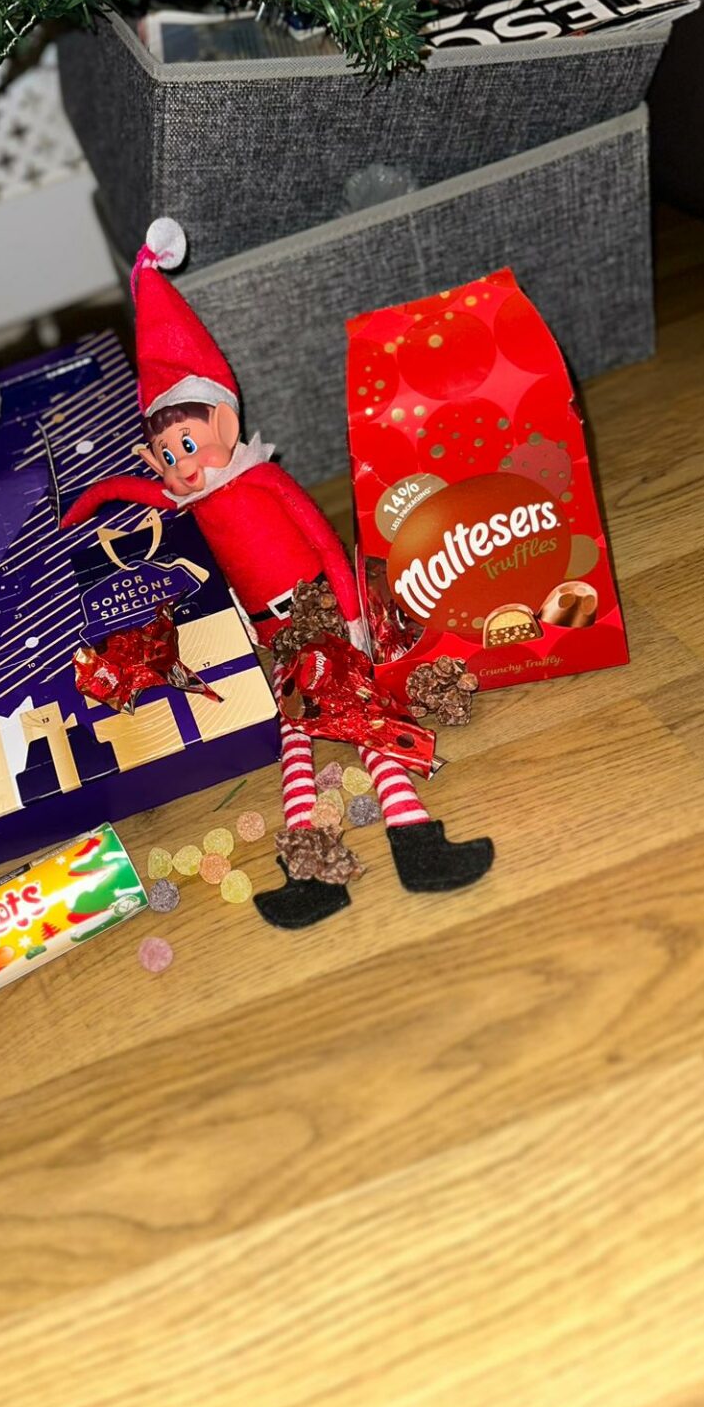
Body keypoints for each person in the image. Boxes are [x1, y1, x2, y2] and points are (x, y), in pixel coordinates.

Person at [62, 219, 493, 927]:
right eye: (166, 455)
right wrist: (73, 513)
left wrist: (352, 616)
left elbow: (322, 540)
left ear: (226, 427)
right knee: (296, 736)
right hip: (276, 639)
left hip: (320, 614)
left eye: (189, 443)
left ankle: (418, 842)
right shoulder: (183, 497)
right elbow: (121, 492)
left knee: (359, 717)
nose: (180, 465)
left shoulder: (262, 480)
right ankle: (311, 875)